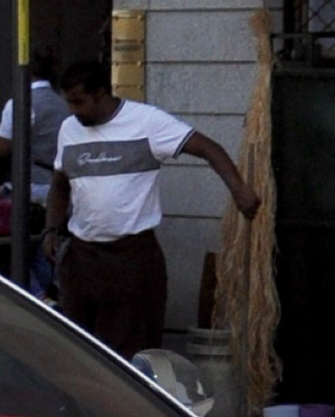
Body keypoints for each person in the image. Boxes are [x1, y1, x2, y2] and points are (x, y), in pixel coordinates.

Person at [44, 61, 259, 359]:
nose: (73, 111)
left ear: (101, 93)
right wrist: (52, 228)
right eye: (68, 102)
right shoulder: (69, 130)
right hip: (83, 259)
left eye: (79, 102)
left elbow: (209, 148)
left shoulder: (147, 122)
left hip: (131, 256)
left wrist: (239, 190)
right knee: (81, 350)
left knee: (130, 354)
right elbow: (59, 184)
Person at [0, 51, 63, 208]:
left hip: (27, 184)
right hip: (58, 186)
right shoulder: (64, 103)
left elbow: (3, 148)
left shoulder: (18, 103)